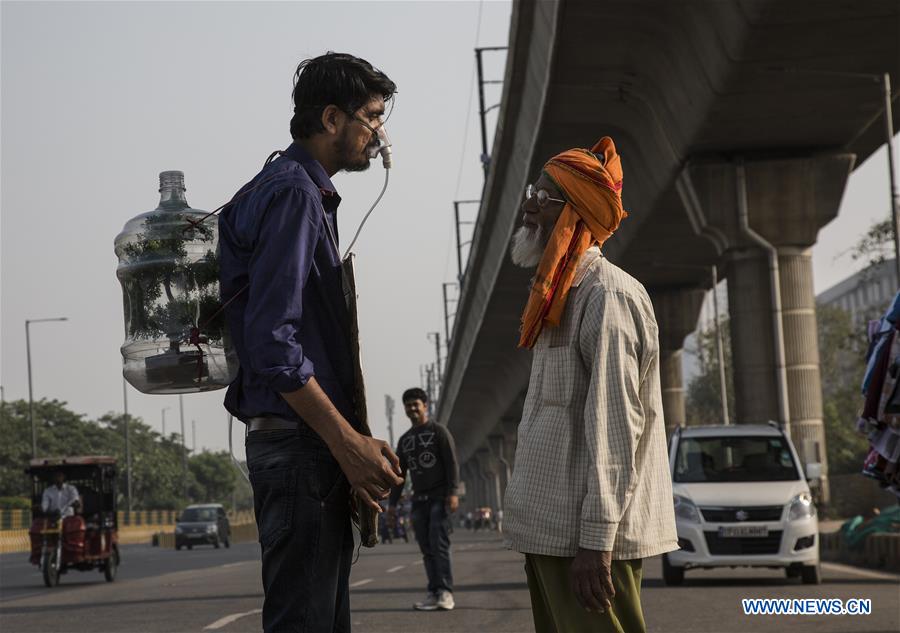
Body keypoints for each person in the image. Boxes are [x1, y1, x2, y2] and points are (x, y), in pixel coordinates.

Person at [219, 52, 404, 633]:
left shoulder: (283, 187)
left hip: (304, 451)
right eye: (372, 117)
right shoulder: (296, 194)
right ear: (331, 119)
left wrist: (347, 450)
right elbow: (275, 345)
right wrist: (347, 444)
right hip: (301, 452)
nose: (378, 133)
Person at [502, 137, 678, 633]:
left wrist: (597, 541)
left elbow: (616, 425)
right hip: (553, 535)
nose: (529, 206)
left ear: (574, 212)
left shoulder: (606, 297)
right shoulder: (557, 296)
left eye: (543, 197)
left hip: (588, 545)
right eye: (533, 193)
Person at [388, 388, 460, 611]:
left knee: (438, 544)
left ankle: (446, 592)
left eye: (415, 404)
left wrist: (453, 492)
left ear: (425, 405)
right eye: (408, 405)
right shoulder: (405, 440)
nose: (412, 408)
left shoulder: (439, 432)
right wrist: (392, 505)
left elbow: (451, 463)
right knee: (426, 548)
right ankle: (434, 591)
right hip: (419, 501)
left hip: (440, 498)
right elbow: (399, 475)